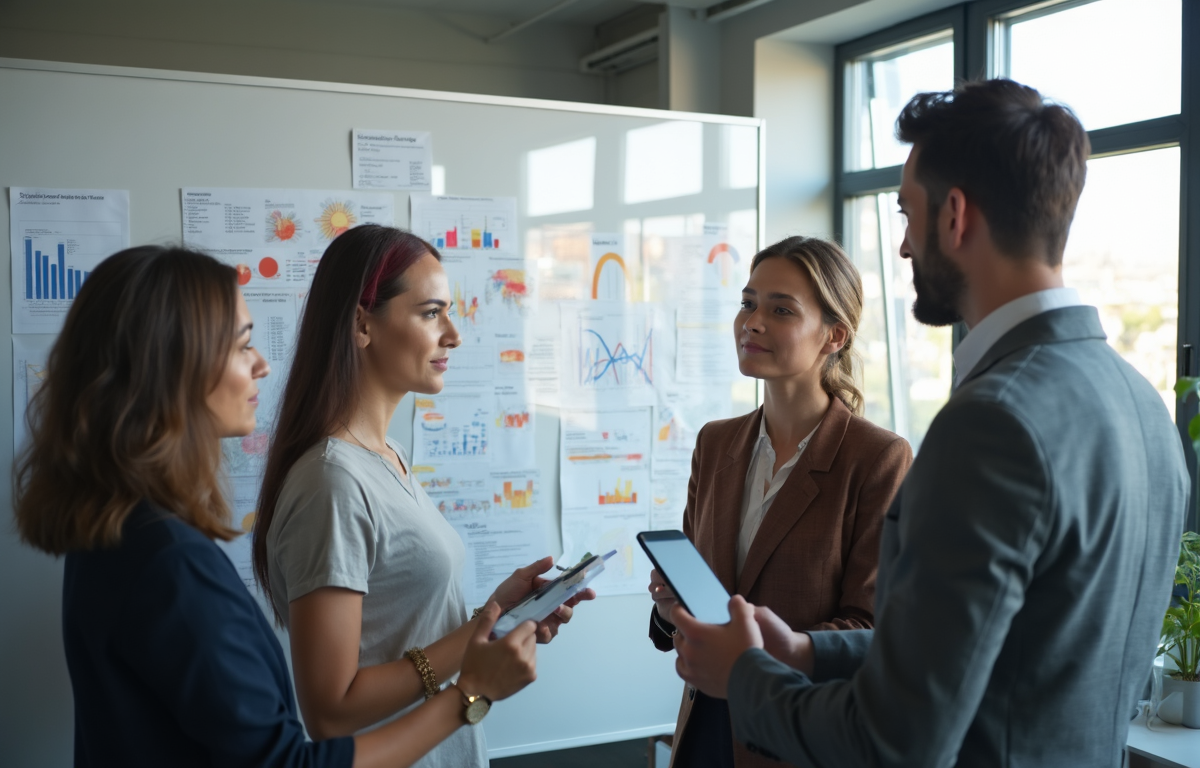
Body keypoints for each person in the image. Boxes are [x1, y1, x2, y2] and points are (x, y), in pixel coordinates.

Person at [667, 79, 1189, 768]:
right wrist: (810, 651)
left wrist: (745, 675)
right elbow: (994, 652)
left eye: (908, 213)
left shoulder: (992, 423)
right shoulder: (1143, 403)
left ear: (956, 216)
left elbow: (895, 739)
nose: (905, 247)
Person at [12, 245, 541, 768]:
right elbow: (300, 746)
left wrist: (488, 620)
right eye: (242, 345)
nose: (263, 365)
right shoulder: (172, 563)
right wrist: (469, 694)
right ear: (173, 367)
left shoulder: (124, 532)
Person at [253, 225, 592, 766]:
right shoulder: (331, 482)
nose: (453, 335)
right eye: (431, 313)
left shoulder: (388, 455)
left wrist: (497, 614)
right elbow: (331, 711)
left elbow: (400, 629)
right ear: (362, 324)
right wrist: (475, 654)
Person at [647, 236, 912, 768]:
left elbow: (872, 629)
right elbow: (698, 591)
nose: (753, 323)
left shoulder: (877, 458)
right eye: (748, 303)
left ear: (834, 335)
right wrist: (670, 609)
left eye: (781, 310)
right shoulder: (715, 443)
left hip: (795, 737)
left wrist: (755, 650)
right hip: (703, 730)